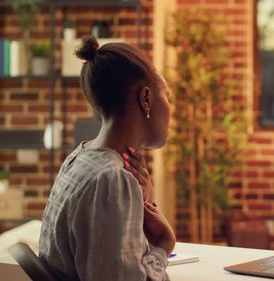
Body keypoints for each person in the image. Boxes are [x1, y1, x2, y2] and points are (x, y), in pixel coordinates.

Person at [39, 35, 175, 281]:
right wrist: (163, 246)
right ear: (146, 98)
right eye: (168, 96)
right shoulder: (111, 180)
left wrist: (142, 206)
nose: (170, 109)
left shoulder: (78, 159)